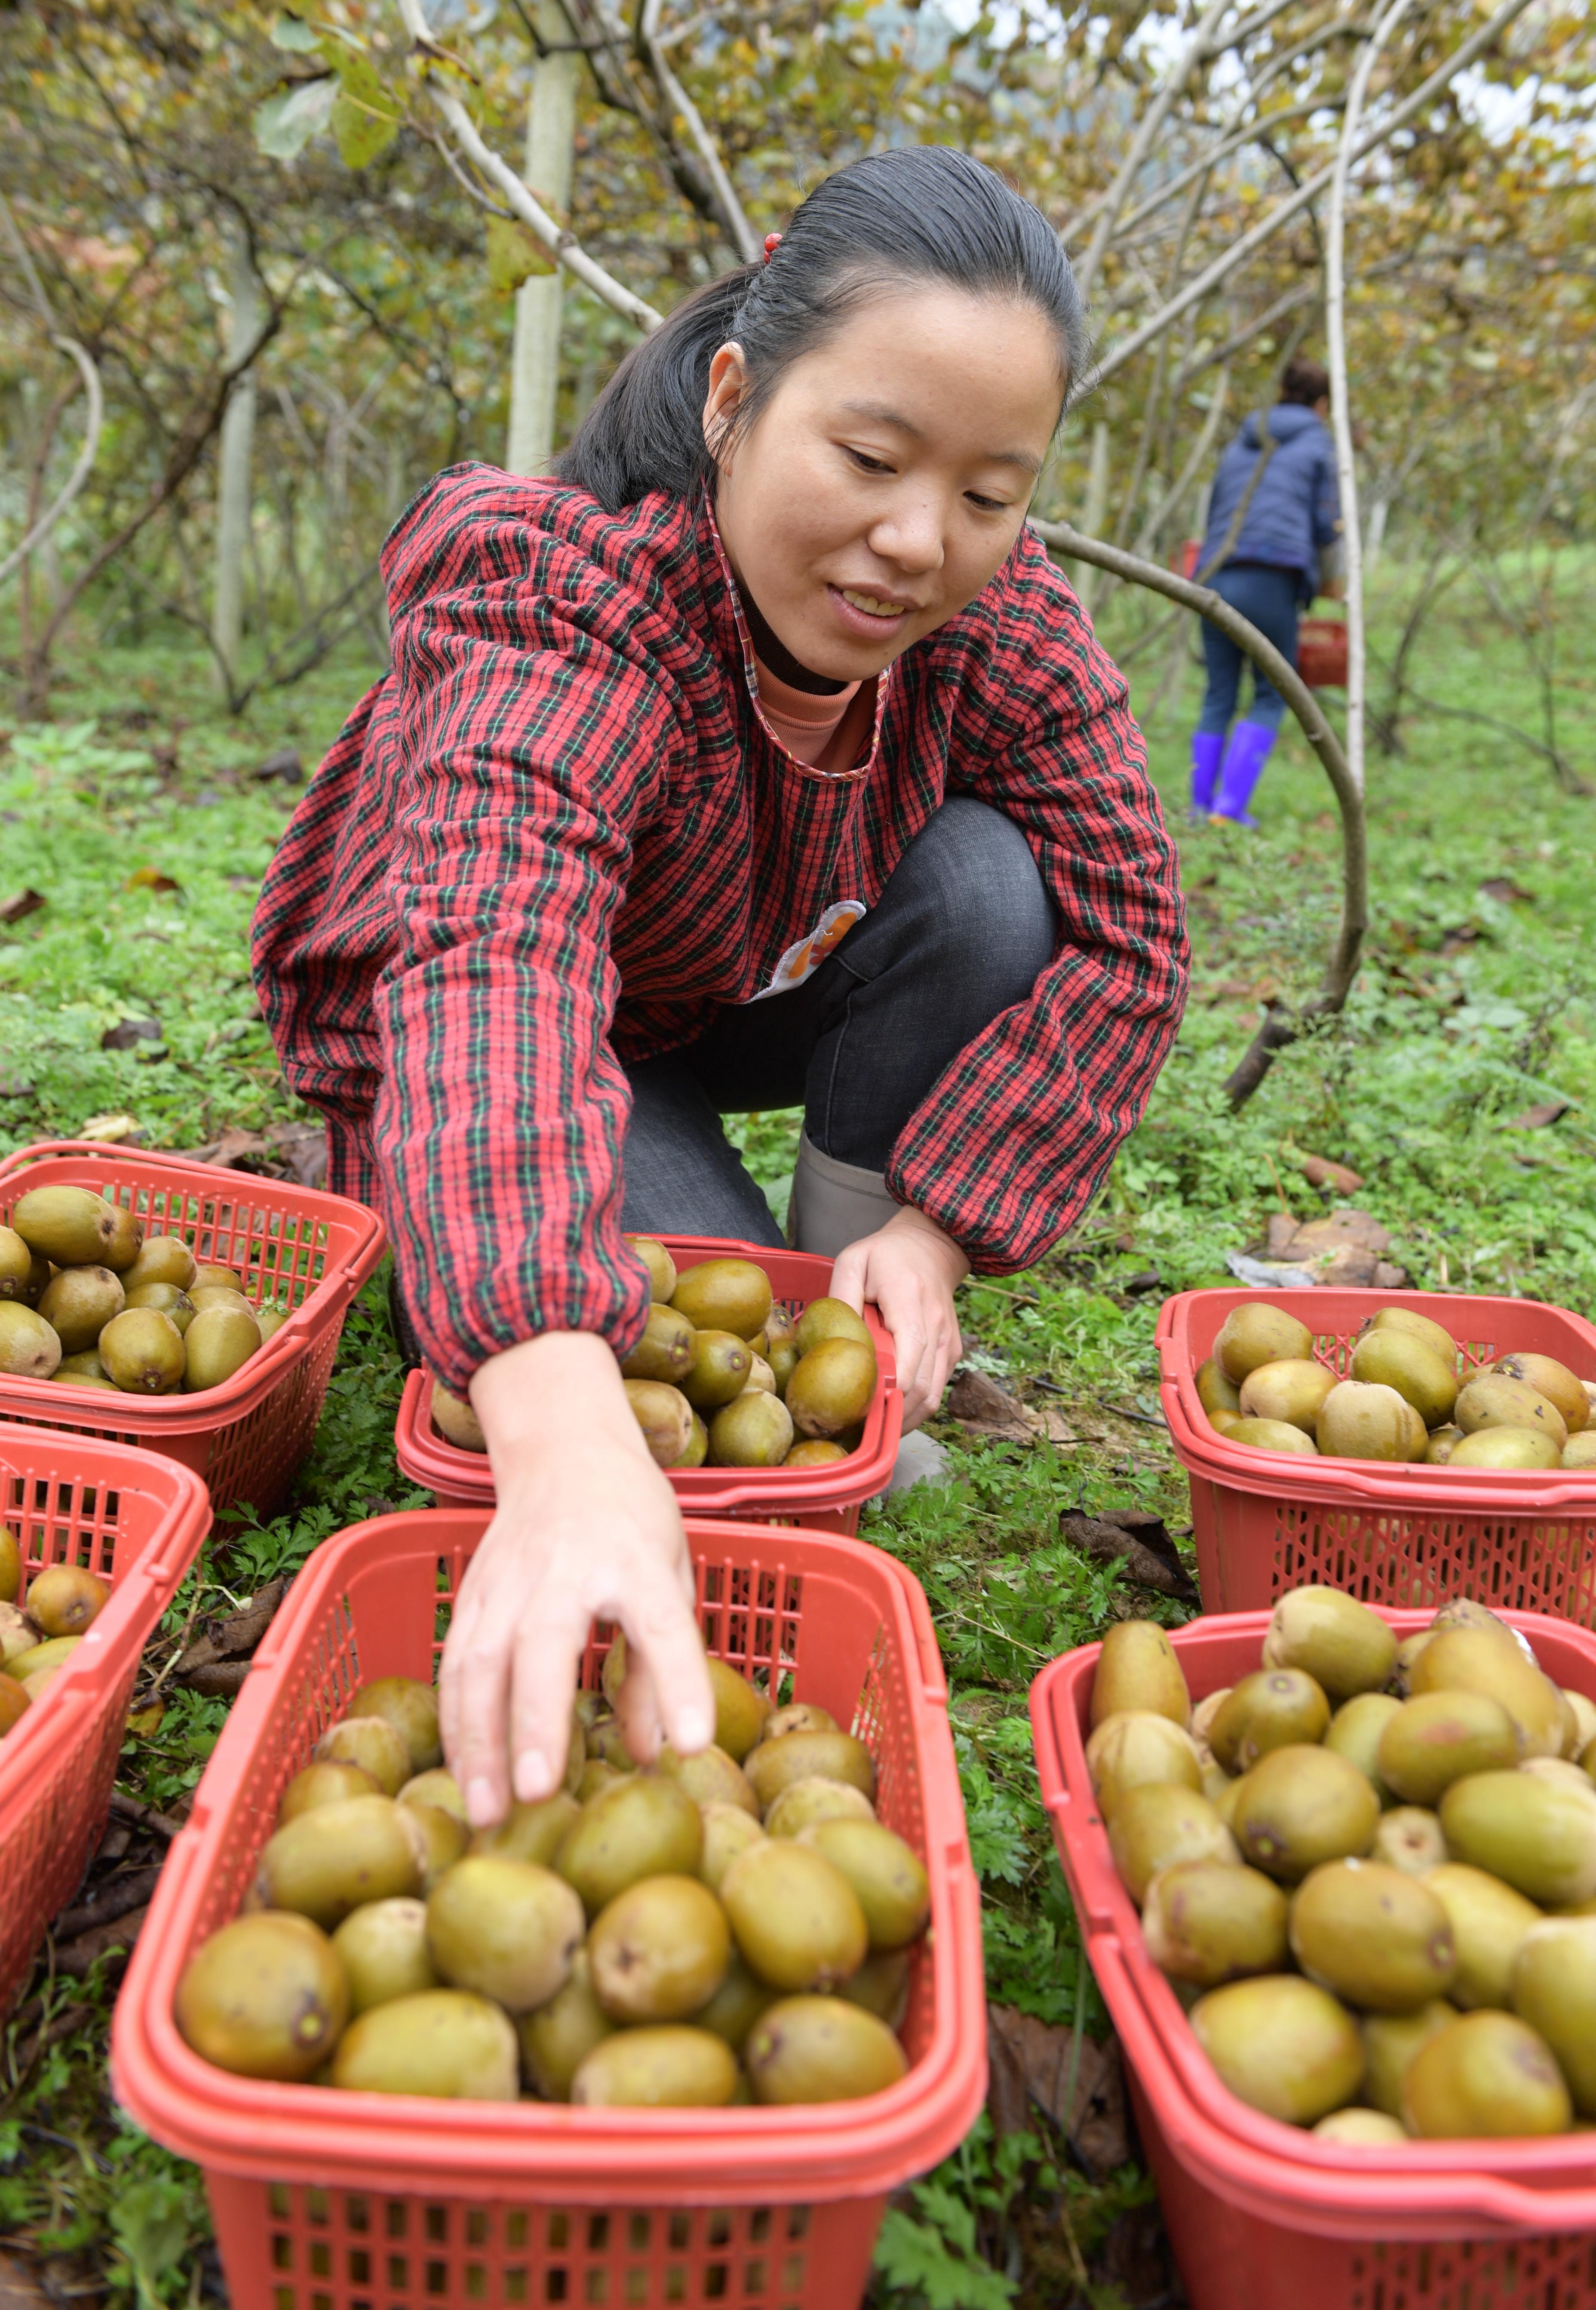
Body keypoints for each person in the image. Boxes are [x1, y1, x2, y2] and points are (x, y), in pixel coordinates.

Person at [252, 147, 1189, 1830]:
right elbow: (494, 958)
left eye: (989, 496)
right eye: (870, 457)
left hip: (720, 984)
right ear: (737, 399)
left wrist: (934, 1222)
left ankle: (855, 1302)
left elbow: (1130, 926)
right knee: (578, 1339)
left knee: (988, 883)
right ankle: (637, 1301)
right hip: (532, 1042)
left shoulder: (998, 629)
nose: (918, 542)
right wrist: (550, 1418)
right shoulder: (572, 597)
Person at [1191, 356, 1342, 827]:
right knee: (1271, 694)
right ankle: (1228, 810)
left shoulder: (1241, 441)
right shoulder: (1318, 444)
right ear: (1321, 404)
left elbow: (1216, 509)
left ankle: (1197, 808)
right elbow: (1326, 525)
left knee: (1218, 692)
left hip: (1216, 573)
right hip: (1273, 576)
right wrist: (1330, 574)